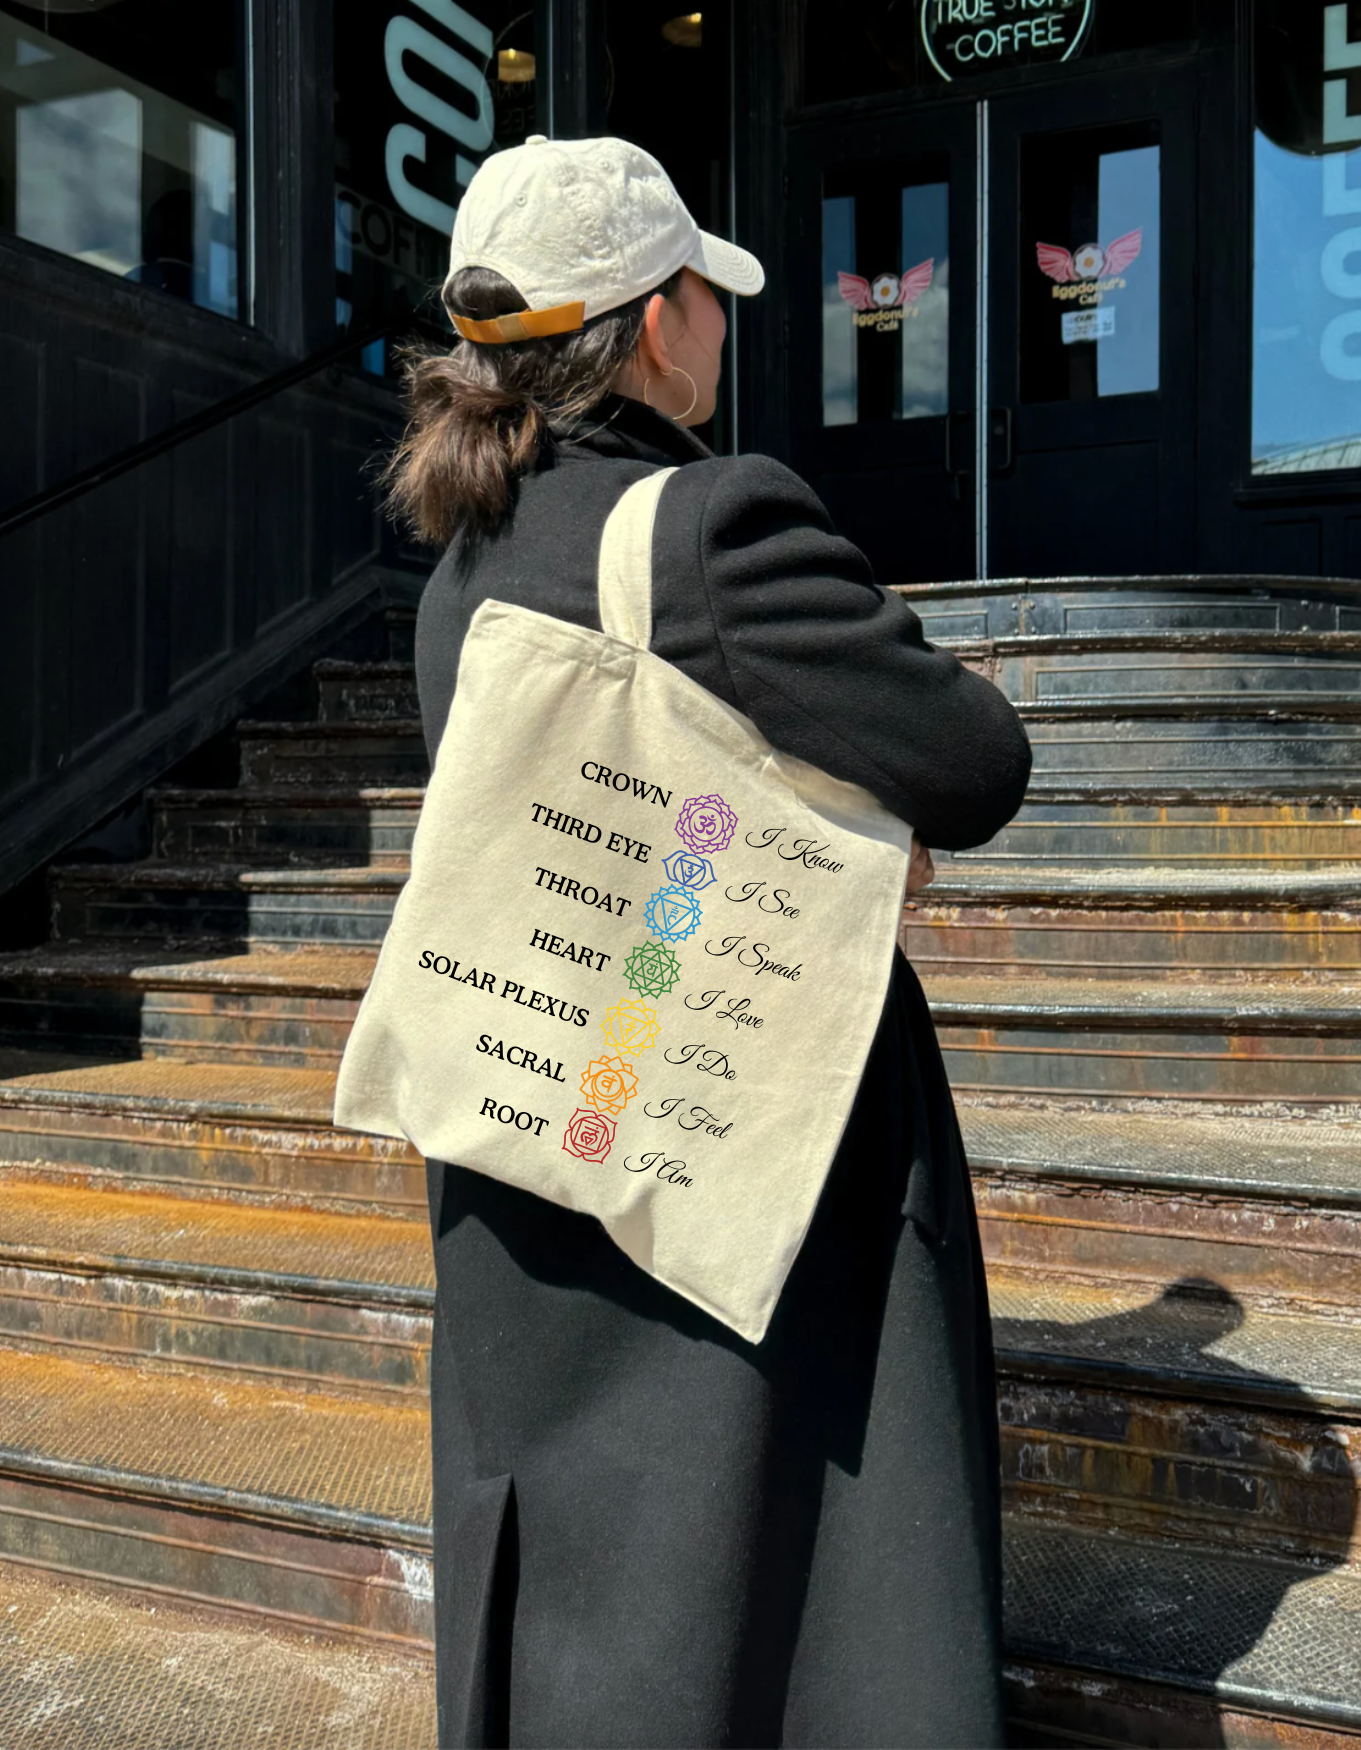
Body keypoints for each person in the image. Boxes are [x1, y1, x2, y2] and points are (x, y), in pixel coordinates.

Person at [389, 134, 1032, 1750]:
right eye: (708, 294)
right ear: (657, 321)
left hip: (540, 1132)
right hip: (738, 1129)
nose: (725, 328)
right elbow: (974, 763)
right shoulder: (712, 528)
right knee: (792, 1578)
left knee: (592, 1594)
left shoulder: (458, 571)